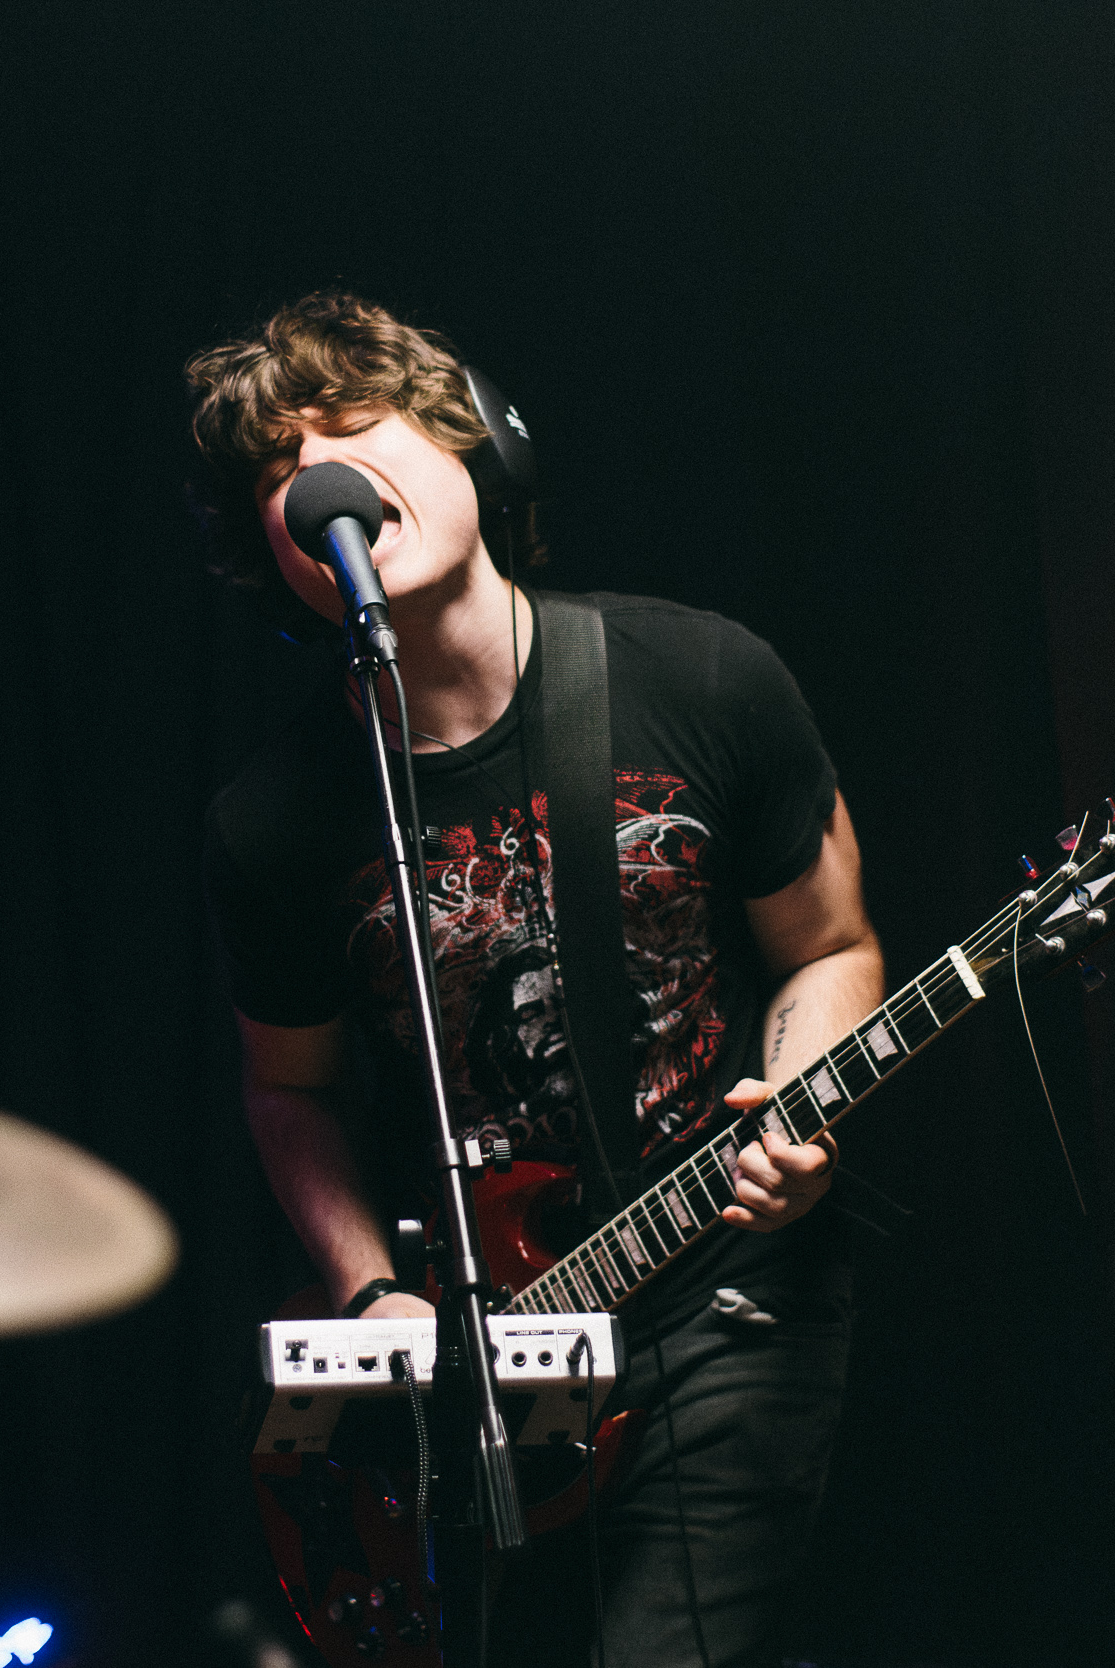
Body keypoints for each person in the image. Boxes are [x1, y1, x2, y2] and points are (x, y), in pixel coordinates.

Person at [193, 292, 884, 1668]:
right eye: (279, 470)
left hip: (721, 1290)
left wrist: (797, 1110)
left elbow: (830, 946)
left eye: (352, 424)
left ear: (477, 444)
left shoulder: (701, 676)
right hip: (495, 1353)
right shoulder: (271, 824)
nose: (319, 473)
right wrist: (367, 1294)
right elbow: (290, 1092)